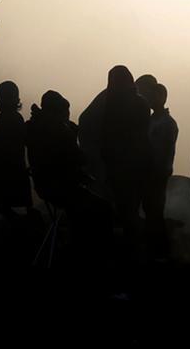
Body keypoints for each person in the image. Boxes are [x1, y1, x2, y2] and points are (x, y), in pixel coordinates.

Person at [26, 90, 113, 267]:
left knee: (81, 211)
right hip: (63, 189)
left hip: (45, 187)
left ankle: (76, 250)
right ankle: (95, 258)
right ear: (58, 113)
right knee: (104, 209)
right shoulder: (58, 131)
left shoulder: (35, 127)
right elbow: (79, 158)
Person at [100, 66, 151, 254]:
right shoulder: (142, 104)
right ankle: (135, 252)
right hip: (138, 165)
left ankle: (130, 252)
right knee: (132, 210)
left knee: (125, 210)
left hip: (121, 167)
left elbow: (107, 137)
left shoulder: (112, 105)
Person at [0, 81, 34, 240]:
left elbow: (4, 148)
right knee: (0, 207)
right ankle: (16, 232)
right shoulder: (12, 118)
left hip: (6, 172)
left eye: (1, 96)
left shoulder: (10, 120)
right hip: (7, 171)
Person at [136, 75, 179, 259]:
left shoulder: (166, 123)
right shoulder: (154, 121)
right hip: (151, 172)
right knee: (151, 209)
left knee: (154, 210)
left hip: (157, 172)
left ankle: (160, 249)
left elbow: (162, 152)